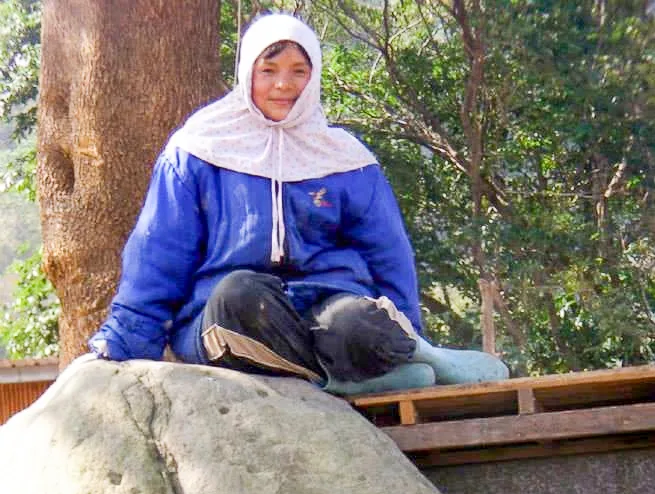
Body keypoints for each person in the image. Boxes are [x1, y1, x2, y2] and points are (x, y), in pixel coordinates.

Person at [89, 12, 508, 395]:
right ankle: (343, 380)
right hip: (226, 314)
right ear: (245, 73)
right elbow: (159, 250)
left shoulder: (345, 158)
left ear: (314, 76)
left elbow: (388, 254)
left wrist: (400, 335)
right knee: (238, 296)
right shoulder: (198, 150)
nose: (283, 84)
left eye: (298, 72)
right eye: (267, 70)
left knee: (359, 326)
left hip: (328, 303)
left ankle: (416, 357)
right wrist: (127, 336)